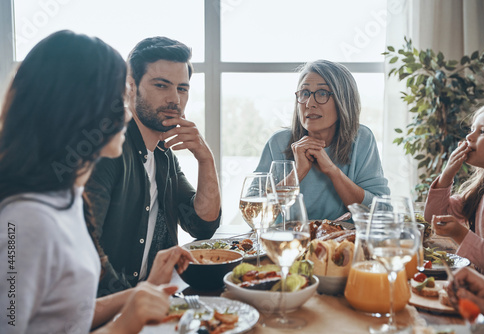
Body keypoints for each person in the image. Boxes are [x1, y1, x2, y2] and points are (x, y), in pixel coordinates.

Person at [0, 30, 193, 334]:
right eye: (119, 98)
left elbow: (64, 315)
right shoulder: (26, 221)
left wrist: (140, 293)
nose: (127, 112)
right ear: (75, 107)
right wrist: (125, 324)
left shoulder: (68, 199)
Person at [84, 36, 221, 296]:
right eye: (162, 85)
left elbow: (202, 224)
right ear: (131, 87)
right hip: (111, 312)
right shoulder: (109, 149)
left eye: (182, 88)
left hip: (157, 299)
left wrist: (205, 158)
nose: (175, 100)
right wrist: (133, 300)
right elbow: (86, 249)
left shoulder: (163, 154)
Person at [254, 60, 389, 220]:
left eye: (322, 93)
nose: (310, 104)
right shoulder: (278, 142)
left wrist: (332, 171)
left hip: (344, 243)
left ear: (343, 100)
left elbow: (382, 213)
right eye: (304, 93)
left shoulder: (361, 139)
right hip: (287, 243)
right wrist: (297, 172)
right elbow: (255, 215)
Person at [424, 102, 484, 287]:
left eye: (482, 132)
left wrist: (460, 234)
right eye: (472, 129)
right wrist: (447, 174)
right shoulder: (480, 191)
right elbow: (433, 217)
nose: (469, 136)